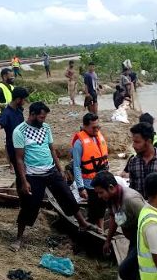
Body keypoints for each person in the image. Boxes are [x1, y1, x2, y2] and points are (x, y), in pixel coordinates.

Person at [11, 102, 94, 252]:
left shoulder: (46, 128)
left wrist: (60, 169)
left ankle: (82, 223)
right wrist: (24, 181)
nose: (43, 120)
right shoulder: (19, 131)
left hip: (51, 171)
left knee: (67, 195)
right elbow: (19, 159)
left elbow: (52, 149)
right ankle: (19, 238)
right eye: (41, 117)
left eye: (45, 117)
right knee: (29, 207)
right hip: (32, 175)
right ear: (33, 114)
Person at [91, 171, 148, 280]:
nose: (99, 196)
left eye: (101, 192)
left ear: (111, 187)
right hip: (132, 238)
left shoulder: (130, 199)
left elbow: (149, 221)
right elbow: (113, 218)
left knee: (125, 270)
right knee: (133, 269)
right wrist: (107, 240)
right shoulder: (111, 199)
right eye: (97, 193)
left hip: (143, 238)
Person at [121, 122, 157, 224]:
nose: (133, 146)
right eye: (133, 142)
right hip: (140, 213)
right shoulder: (133, 162)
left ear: (149, 141)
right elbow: (132, 191)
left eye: (137, 142)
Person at [70, 112, 109, 230]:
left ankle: (100, 229)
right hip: (89, 183)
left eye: (98, 127)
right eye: (94, 127)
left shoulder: (99, 137)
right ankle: (92, 228)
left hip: (103, 179)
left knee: (102, 207)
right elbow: (76, 166)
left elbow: (105, 159)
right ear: (85, 126)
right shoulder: (79, 143)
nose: (96, 129)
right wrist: (81, 187)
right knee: (94, 209)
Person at [0, 87, 28, 176]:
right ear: (18, 99)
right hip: (14, 148)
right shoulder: (6, 113)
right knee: (20, 174)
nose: (25, 102)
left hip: (22, 145)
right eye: (24, 99)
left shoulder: (19, 110)